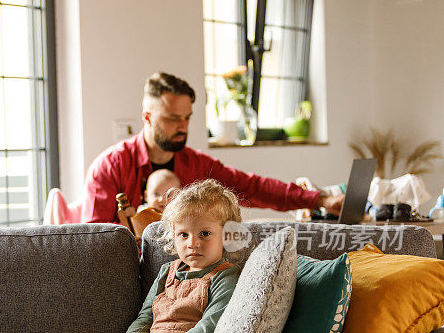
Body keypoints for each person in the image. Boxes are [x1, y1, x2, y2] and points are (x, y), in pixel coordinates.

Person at [58, 179, 242, 333]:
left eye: (204, 233)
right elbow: (146, 314)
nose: (192, 243)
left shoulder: (226, 274)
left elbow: (208, 327)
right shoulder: (167, 271)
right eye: (183, 234)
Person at [80, 72, 345, 223]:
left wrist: (321, 200)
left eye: (187, 117)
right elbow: (96, 240)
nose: (183, 126)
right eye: (173, 118)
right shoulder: (109, 167)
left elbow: (251, 186)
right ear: (147, 117)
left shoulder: (195, 165)